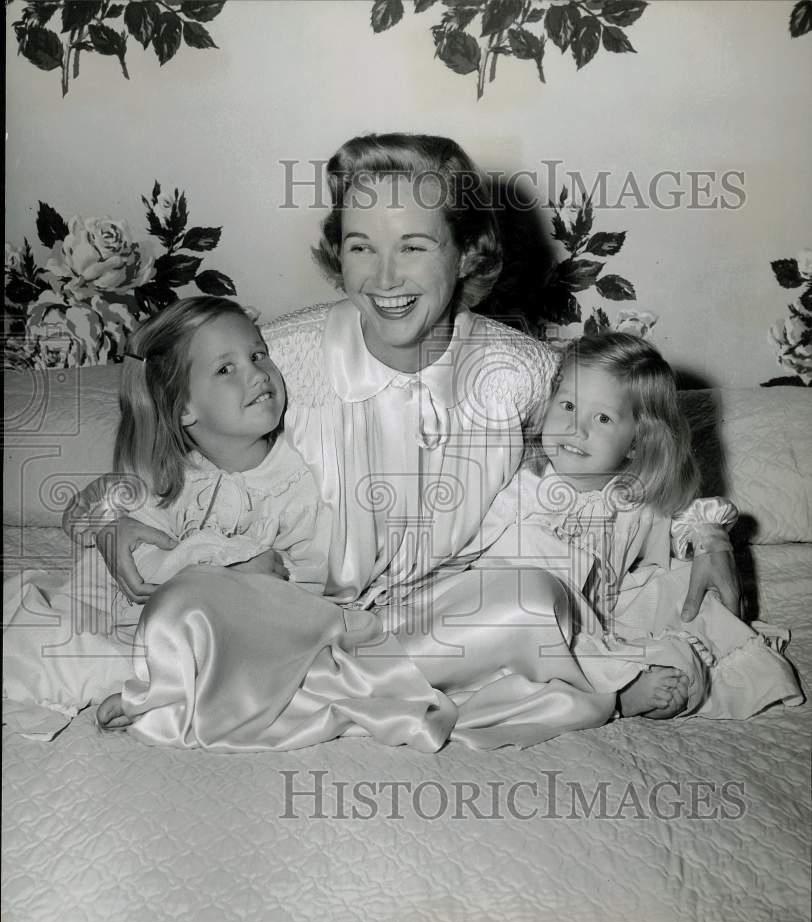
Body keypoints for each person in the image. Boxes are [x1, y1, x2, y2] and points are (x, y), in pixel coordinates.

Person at [63, 133, 744, 751]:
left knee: (534, 602)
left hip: (440, 621)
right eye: (361, 246)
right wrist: (108, 522)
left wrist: (706, 531)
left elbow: (633, 438)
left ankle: (295, 688)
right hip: (296, 615)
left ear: (467, 252)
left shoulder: (522, 372)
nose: (384, 279)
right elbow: (163, 440)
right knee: (188, 604)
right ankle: (378, 684)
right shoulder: (284, 357)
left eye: (413, 247)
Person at [7, 296, 453, 750]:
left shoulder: (294, 482)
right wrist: (110, 529)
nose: (257, 373)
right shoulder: (169, 475)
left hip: (231, 634)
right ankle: (132, 674)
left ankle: (162, 687)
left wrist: (247, 581)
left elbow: (313, 589)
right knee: (52, 616)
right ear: (184, 410)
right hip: (133, 625)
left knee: (215, 622)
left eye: (258, 355)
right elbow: (82, 520)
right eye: (226, 369)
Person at [480, 333, 802, 721]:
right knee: (526, 622)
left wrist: (710, 538)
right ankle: (618, 694)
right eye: (567, 405)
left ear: (637, 441)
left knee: (684, 589)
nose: (575, 428)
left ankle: (650, 668)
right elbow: (471, 545)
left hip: (606, 610)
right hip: (536, 619)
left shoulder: (632, 495)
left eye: (602, 418)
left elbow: (687, 516)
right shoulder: (524, 486)